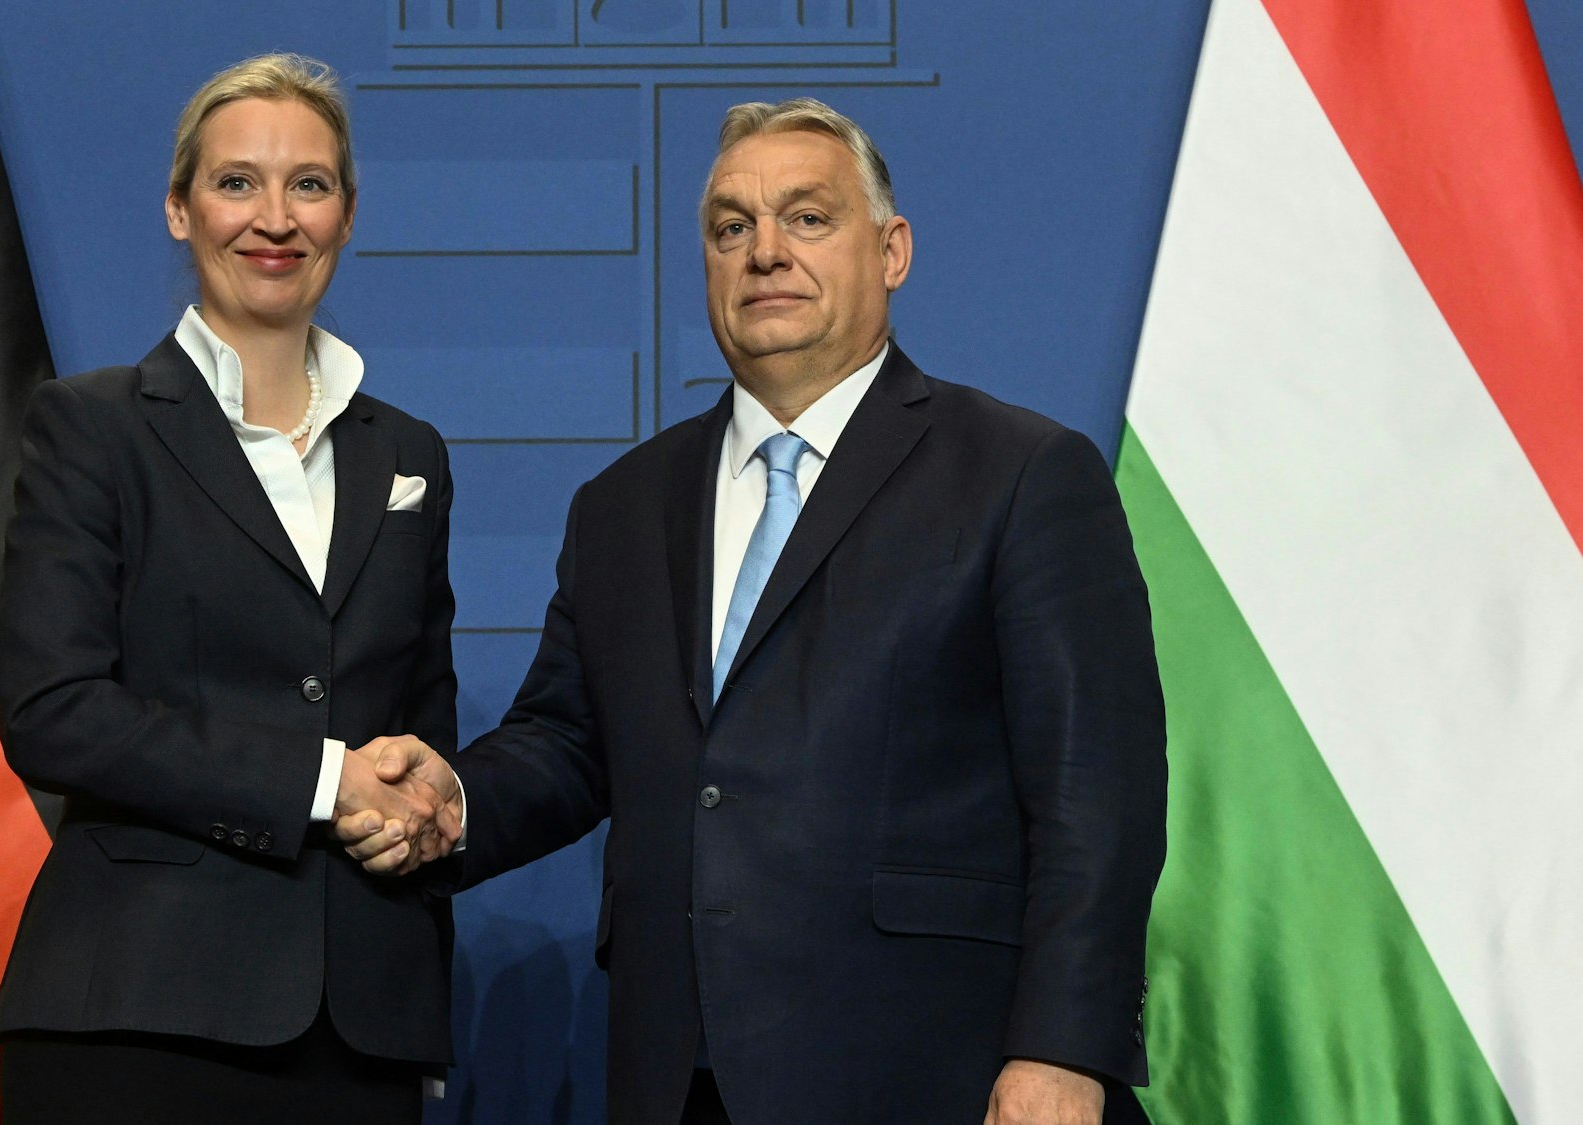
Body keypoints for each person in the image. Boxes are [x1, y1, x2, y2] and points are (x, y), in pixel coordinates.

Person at [339, 98, 1167, 1125]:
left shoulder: (1019, 474)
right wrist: (457, 797)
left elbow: (1097, 796)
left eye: (806, 219)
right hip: (678, 1069)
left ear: (892, 250)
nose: (763, 251)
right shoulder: (623, 505)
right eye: (731, 228)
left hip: (935, 1071)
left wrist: (1060, 1052)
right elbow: (567, 741)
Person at [0, 53, 462, 1124]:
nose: (273, 218)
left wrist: (428, 805)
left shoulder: (410, 452)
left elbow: (421, 724)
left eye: (309, 184)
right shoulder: (93, 426)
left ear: (346, 213)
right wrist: (327, 784)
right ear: (177, 209)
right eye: (236, 182)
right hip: (141, 1013)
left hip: (361, 1025)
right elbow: (54, 712)